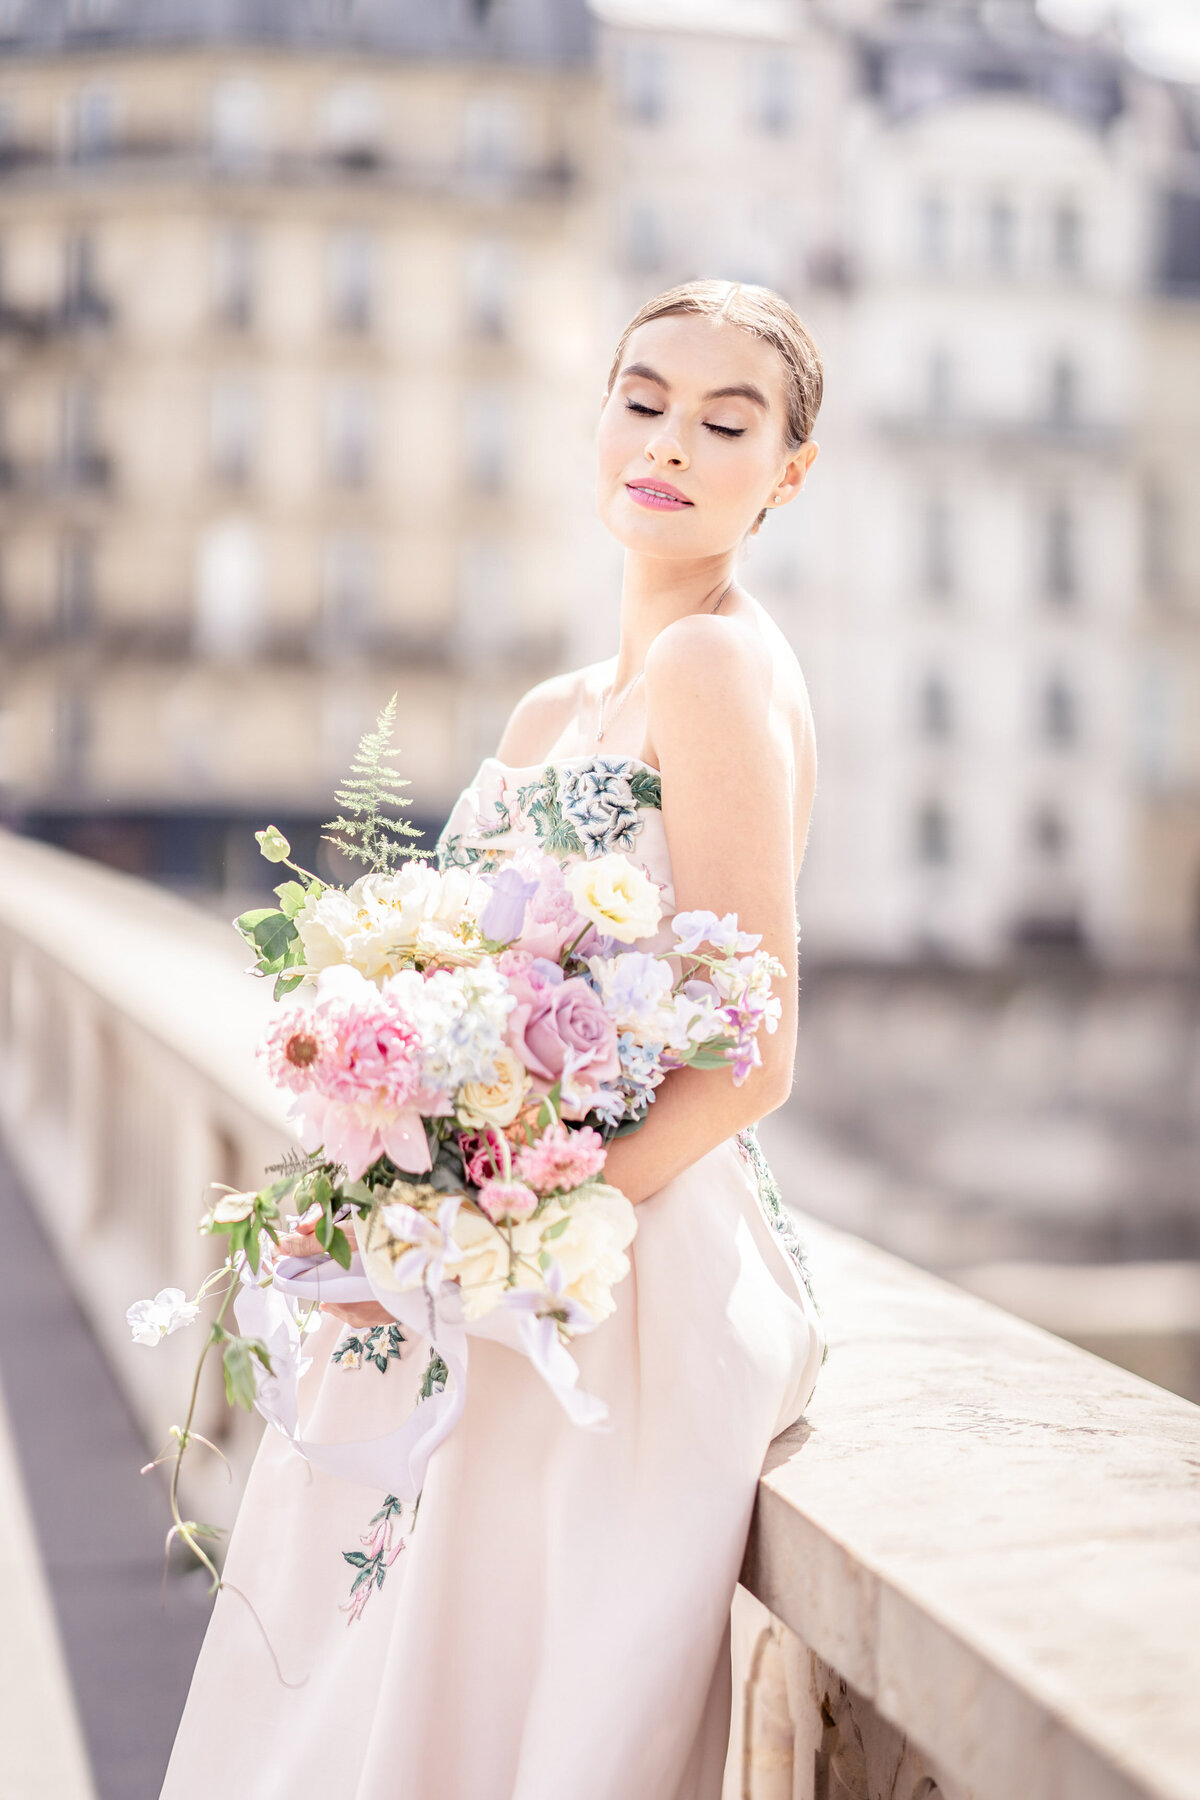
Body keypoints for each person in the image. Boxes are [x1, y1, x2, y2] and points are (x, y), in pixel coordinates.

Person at [161, 277, 827, 1800]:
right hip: (486, 1242)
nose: (667, 440)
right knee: (371, 1673)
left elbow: (755, 1051)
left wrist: (532, 1230)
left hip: (612, 1262)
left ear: (786, 473)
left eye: (727, 422)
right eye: (641, 397)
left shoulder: (720, 665)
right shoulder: (549, 712)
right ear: (597, 415)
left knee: (505, 1686)